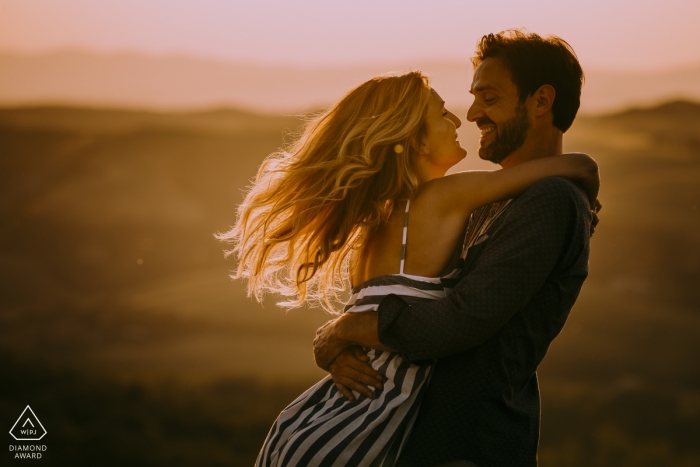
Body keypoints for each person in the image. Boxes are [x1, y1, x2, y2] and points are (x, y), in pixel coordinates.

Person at [218, 67, 598, 464]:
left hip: (322, 423)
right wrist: (589, 197)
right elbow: (581, 166)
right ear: (415, 140)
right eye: (441, 115)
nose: (457, 120)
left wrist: (339, 333)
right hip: (364, 430)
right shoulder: (442, 199)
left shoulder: (373, 225)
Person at [313, 30, 597, 467]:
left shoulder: (551, 201)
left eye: (488, 97)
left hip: (469, 446)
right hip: (411, 439)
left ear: (541, 101)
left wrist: (346, 329)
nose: (472, 113)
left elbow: (462, 320)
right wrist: (335, 341)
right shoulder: (488, 202)